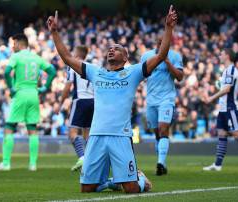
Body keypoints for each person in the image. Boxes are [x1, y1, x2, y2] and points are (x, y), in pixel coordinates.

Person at [47, 5, 177, 193]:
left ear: (125, 57)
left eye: (116, 49)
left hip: (121, 136)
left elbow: (161, 55)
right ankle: (112, 182)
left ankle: (140, 179)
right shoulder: (95, 72)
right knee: (86, 189)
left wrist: (169, 28)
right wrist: (55, 33)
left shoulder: (133, 72)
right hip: (97, 135)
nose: (111, 50)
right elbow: (67, 57)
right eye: (110, 49)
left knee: (132, 189)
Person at [0, 33, 56, 171]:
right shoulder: (36, 57)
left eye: (14, 44)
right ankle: (32, 164)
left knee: (9, 127)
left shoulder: (16, 56)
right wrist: (44, 87)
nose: (12, 47)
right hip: (34, 94)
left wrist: (11, 88)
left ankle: (6, 163)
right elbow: (52, 71)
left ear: (20, 44)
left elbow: (7, 72)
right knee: (32, 129)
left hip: (20, 94)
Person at [141, 38, 183, 175]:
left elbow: (180, 76)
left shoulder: (175, 56)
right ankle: (162, 164)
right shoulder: (146, 56)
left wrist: (167, 62)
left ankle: (160, 163)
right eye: (161, 44)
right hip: (151, 100)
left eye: (166, 44)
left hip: (167, 99)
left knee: (163, 129)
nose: (163, 46)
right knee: (157, 133)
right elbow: (141, 74)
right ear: (157, 44)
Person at [57, 45, 94, 171]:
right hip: (93, 102)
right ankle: (90, 161)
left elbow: (68, 87)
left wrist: (60, 102)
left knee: (72, 133)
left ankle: (83, 158)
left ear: (77, 54)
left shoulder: (73, 66)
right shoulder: (91, 66)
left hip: (80, 101)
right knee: (87, 134)